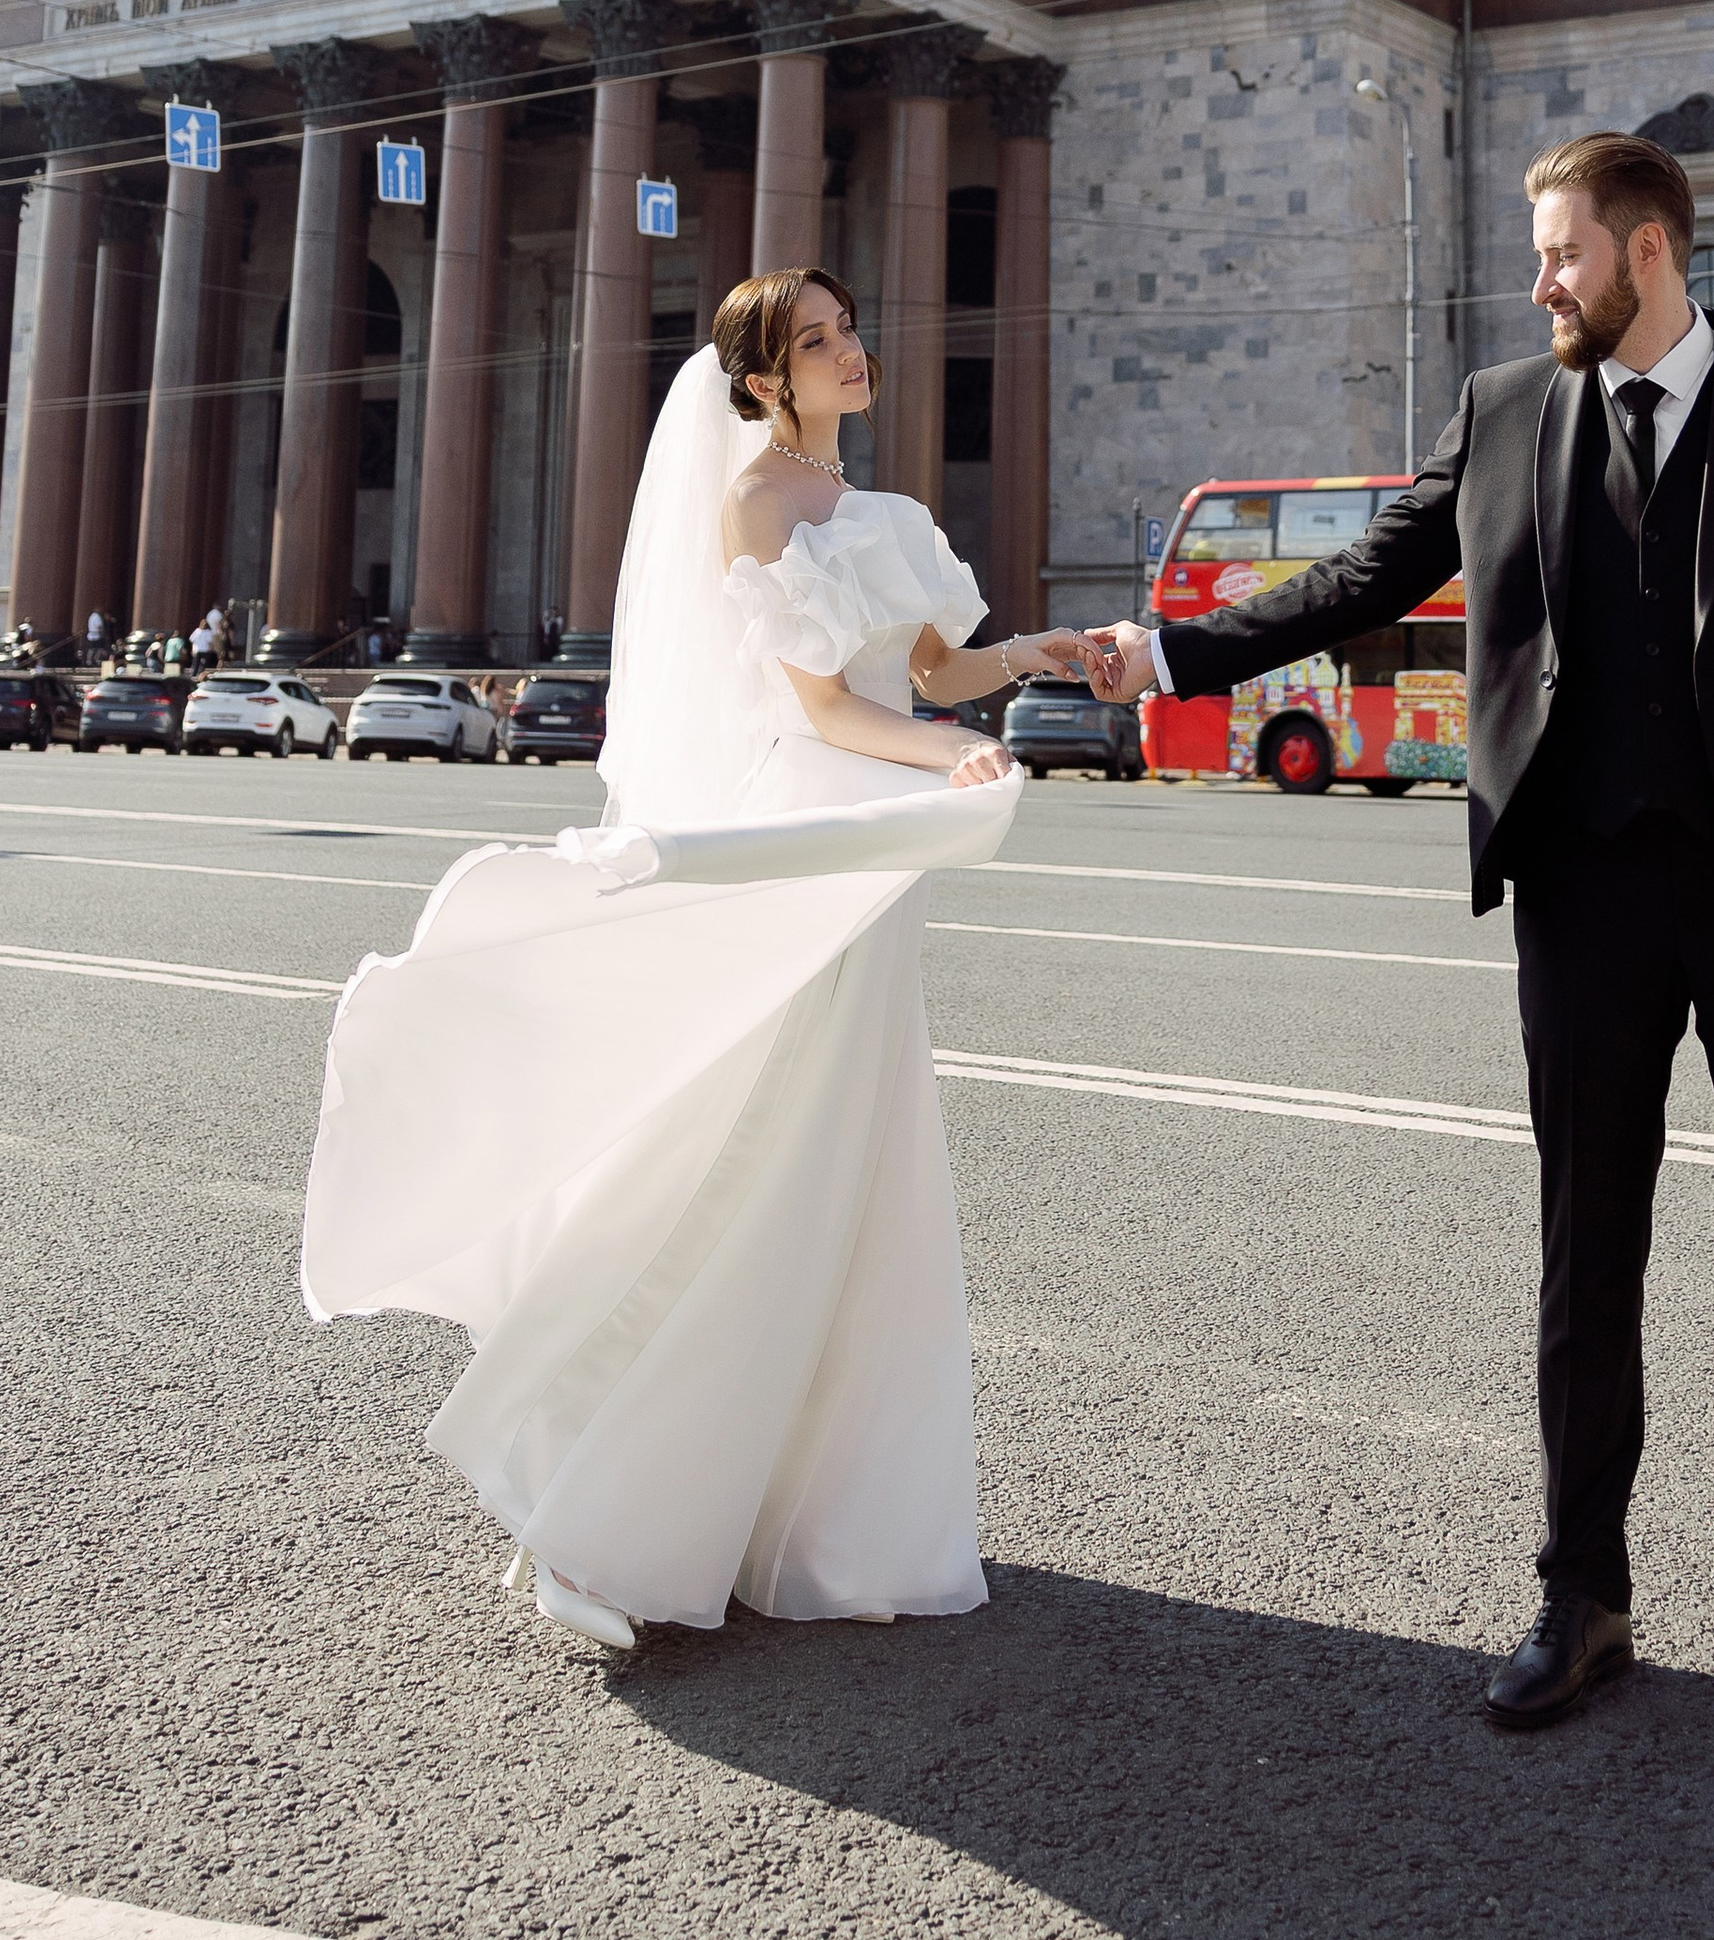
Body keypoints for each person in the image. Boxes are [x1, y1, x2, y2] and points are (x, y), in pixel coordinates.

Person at [1091, 130, 1714, 1781]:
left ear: (1648, 252)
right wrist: (1174, 648)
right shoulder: (1507, 411)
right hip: (1584, 894)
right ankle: (1582, 1595)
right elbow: (1372, 570)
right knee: (1590, 1259)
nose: (1539, 280)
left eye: (1562, 251)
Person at [301, 266, 1112, 1656]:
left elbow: (937, 667)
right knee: (755, 1159)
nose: (853, 349)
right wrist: (949, 752)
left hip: (881, 841)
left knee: (847, 1162)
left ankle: (775, 1510)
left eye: (851, 326)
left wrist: (1036, 652)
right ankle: (592, 1512)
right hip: (804, 826)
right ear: (761, 383)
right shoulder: (749, 502)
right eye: (817, 340)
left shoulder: (895, 514)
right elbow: (826, 706)